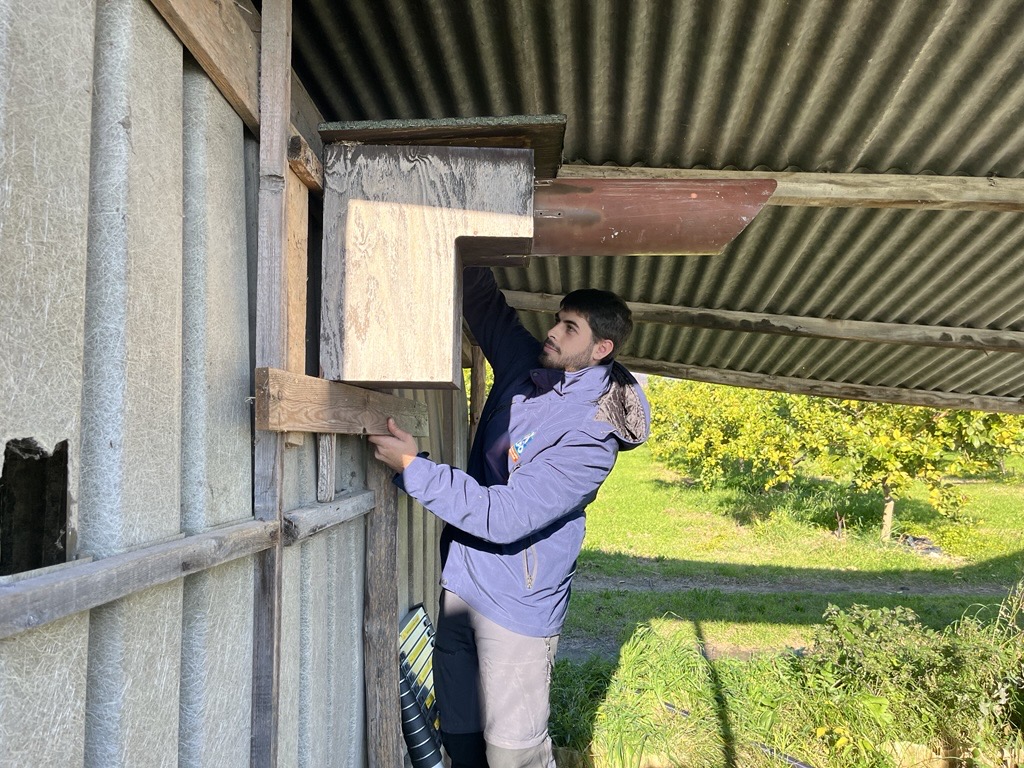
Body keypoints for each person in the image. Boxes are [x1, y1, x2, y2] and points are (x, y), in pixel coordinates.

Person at [369, 266, 650, 768]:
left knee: (511, 756)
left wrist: (415, 469)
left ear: (601, 348)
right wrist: (460, 244)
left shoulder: (593, 436)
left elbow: (506, 515)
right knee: (460, 739)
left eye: (570, 328)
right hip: (462, 584)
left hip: (517, 607)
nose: (553, 332)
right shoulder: (530, 365)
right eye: (558, 319)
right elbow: (485, 305)